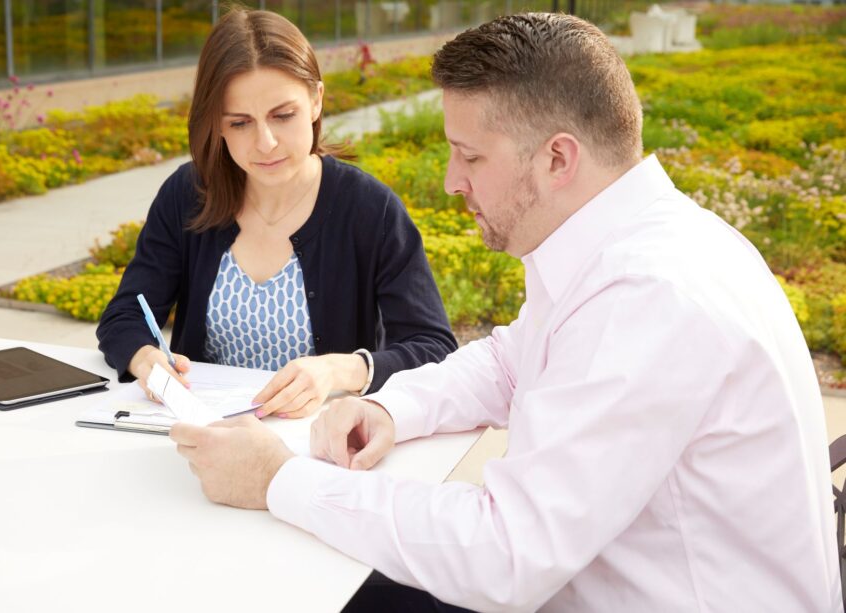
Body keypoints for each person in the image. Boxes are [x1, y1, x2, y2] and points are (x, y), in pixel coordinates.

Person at [169, 12, 841, 611]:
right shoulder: (629, 242)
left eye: (470, 155)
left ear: (557, 158)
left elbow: (503, 555)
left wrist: (279, 477)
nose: (451, 180)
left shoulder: (650, 296)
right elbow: (512, 359)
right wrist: (390, 408)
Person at [96, 8, 456, 418]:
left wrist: (339, 370)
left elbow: (434, 348)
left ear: (316, 100)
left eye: (283, 116)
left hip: (320, 450)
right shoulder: (188, 193)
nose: (265, 142)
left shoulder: (370, 210)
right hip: (205, 439)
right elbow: (124, 316)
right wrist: (145, 359)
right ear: (216, 124)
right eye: (240, 123)